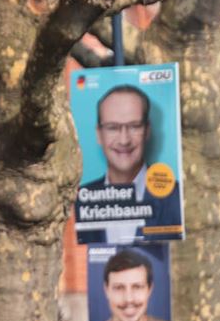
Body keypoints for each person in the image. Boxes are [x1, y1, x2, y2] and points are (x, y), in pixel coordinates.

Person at [76, 85, 182, 243]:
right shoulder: (77, 200)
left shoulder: (176, 198)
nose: (124, 140)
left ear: (147, 131)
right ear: (99, 135)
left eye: (134, 126)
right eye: (112, 128)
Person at [90, 250, 171, 321]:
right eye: (119, 288)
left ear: (150, 289)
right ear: (106, 290)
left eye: (137, 287)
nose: (128, 299)